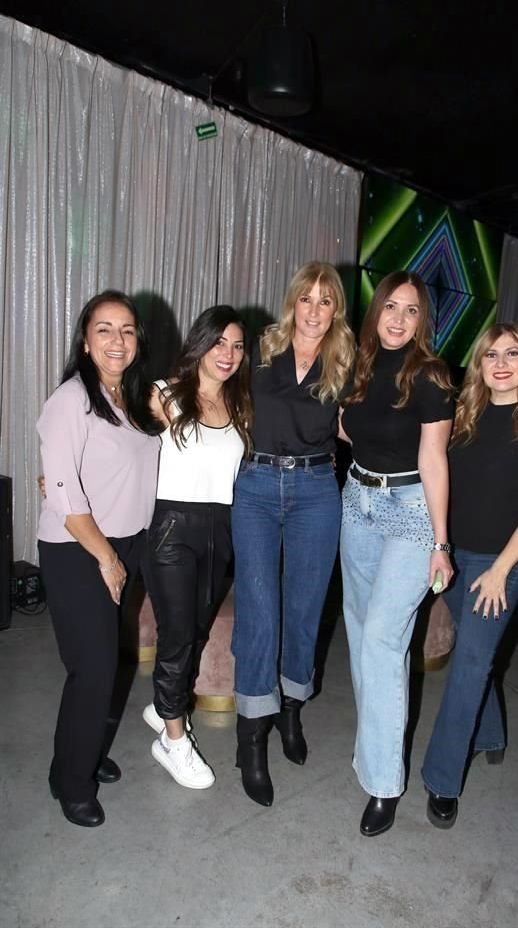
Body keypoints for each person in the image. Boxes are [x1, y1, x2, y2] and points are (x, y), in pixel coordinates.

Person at [421, 323, 518, 829]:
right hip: (454, 557)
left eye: (512, 353)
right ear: (479, 364)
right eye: (490, 355)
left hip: (501, 564)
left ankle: (440, 780)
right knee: (475, 653)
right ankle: (491, 734)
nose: (501, 363)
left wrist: (502, 570)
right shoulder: (462, 414)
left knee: (468, 665)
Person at [231, 261, 355, 807]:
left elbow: (364, 427)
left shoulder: (348, 363)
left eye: (325, 301)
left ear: (336, 311)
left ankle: (290, 710)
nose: (313, 309)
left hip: (316, 491)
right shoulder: (259, 351)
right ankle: (251, 735)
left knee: (305, 608)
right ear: (293, 302)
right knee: (259, 607)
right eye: (306, 298)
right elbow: (208, 389)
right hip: (255, 485)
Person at [37, 290, 161, 827]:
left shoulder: (131, 400)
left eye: (127, 330)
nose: (117, 340)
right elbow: (63, 492)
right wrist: (107, 559)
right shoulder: (70, 400)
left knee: (98, 666)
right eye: (105, 329)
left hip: (124, 544)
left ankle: (73, 757)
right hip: (80, 549)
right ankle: (73, 784)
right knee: (94, 668)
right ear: (86, 342)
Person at [338, 270, 454, 837]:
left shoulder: (430, 376)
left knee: (384, 638)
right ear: (375, 311)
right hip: (357, 500)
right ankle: (371, 751)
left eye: (411, 311)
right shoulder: (358, 369)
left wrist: (439, 541)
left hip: (409, 510)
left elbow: (435, 460)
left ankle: (384, 784)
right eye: (391, 307)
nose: (399, 319)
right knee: (360, 635)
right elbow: (346, 426)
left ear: (422, 322)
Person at [141, 306, 252, 789]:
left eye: (237, 345)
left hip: (220, 528)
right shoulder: (163, 395)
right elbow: (118, 444)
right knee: (178, 633)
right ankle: (171, 736)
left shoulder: (241, 406)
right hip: (171, 528)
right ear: (199, 343)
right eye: (219, 342)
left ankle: (162, 703)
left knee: (198, 629)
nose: (227, 354)